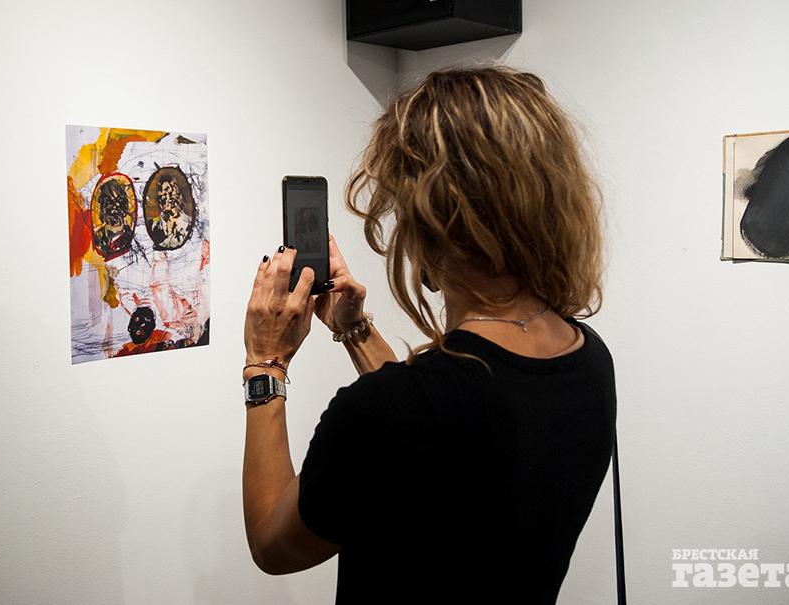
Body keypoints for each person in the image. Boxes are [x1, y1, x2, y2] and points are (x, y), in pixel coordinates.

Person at [241, 66, 616, 603]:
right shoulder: (588, 359)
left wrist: (266, 362)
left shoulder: (391, 411)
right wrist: (355, 331)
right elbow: (439, 434)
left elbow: (273, 545)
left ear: (433, 220)